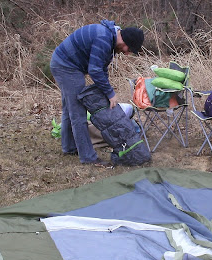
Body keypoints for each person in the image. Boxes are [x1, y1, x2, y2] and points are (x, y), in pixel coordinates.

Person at [49, 20, 144, 165]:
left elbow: (101, 68)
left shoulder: (110, 40)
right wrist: (110, 93)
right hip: (67, 67)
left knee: (69, 109)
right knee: (78, 113)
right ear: (124, 41)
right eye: (128, 49)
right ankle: (88, 158)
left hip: (66, 64)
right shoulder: (103, 39)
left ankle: (69, 147)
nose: (127, 53)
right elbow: (94, 70)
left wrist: (105, 91)